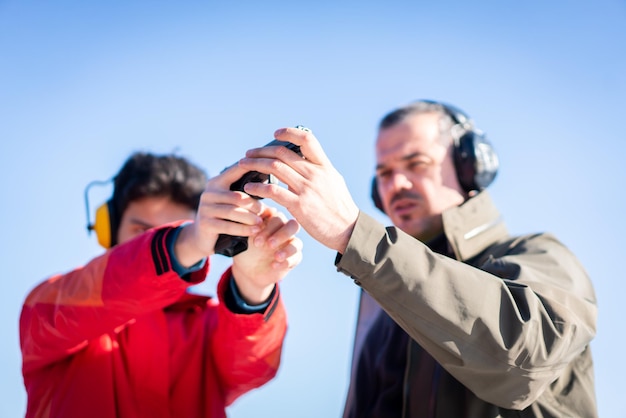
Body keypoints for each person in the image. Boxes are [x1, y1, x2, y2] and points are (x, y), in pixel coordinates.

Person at [237, 100, 598, 417]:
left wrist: (353, 232)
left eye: (416, 163)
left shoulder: (539, 256)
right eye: (384, 173)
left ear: (471, 165)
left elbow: (522, 363)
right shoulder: (379, 296)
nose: (397, 185)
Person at [20, 151, 302, 418]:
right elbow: (66, 310)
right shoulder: (52, 305)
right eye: (142, 230)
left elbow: (254, 365)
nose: (168, 238)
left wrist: (254, 285)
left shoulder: (208, 330)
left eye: (182, 228)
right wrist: (187, 240)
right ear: (108, 228)